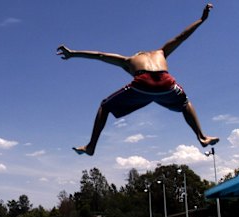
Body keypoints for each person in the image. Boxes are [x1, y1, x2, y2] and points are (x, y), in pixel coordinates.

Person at [57, 3, 219, 156]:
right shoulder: (161, 52)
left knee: (105, 106)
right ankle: (201, 136)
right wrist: (201, 20)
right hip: (167, 84)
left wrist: (73, 53)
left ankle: (91, 146)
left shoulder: (128, 61)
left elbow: (100, 55)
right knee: (185, 103)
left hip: (143, 84)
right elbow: (182, 37)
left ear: (137, 55)